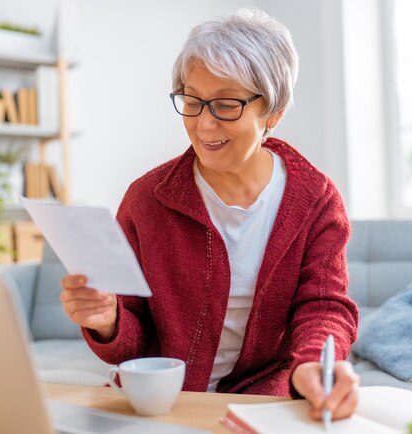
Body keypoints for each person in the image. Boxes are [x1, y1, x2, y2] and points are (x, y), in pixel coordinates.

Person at [60, 8, 360, 421]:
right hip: (160, 398)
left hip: (260, 397)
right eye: (193, 101)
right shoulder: (147, 199)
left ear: (273, 112)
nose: (203, 124)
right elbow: (131, 339)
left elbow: (325, 306)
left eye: (225, 105)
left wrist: (313, 362)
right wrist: (108, 320)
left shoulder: (316, 199)